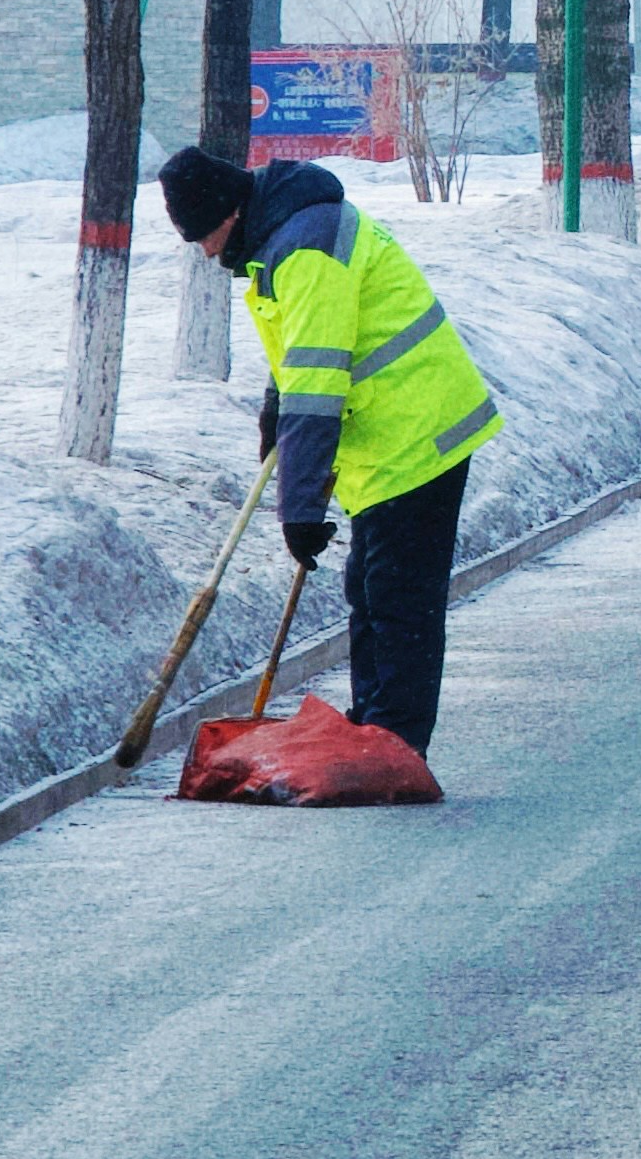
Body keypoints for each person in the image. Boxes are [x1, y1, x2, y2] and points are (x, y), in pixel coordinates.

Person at [158, 143, 501, 755]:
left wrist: (300, 509)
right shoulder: (281, 238)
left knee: (399, 599)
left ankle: (395, 745)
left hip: (418, 430)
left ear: (231, 213)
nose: (206, 252)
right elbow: (302, 358)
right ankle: (375, 724)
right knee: (369, 589)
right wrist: (275, 408)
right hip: (388, 437)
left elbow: (317, 387)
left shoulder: (305, 251)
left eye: (205, 235)